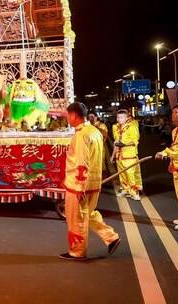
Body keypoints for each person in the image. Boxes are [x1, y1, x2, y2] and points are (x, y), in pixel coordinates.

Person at [60, 102, 120, 260]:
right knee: (88, 214)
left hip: (80, 185)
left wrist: (79, 186)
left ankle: (77, 251)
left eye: (68, 115)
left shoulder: (81, 135)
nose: (67, 118)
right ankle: (111, 237)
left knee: (76, 219)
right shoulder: (94, 131)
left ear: (73, 115)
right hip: (93, 182)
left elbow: (81, 162)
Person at [112, 109, 141, 200]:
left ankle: (134, 192)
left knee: (130, 174)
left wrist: (124, 144)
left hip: (129, 155)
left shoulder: (132, 127)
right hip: (119, 155)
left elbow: (135, 140)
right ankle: (125, 189)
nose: (119, 119)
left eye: (121, 117)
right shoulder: (115, 127)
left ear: (126, 118)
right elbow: (116, 141)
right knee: (122, 174)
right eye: (118, 117)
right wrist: (113, 155)